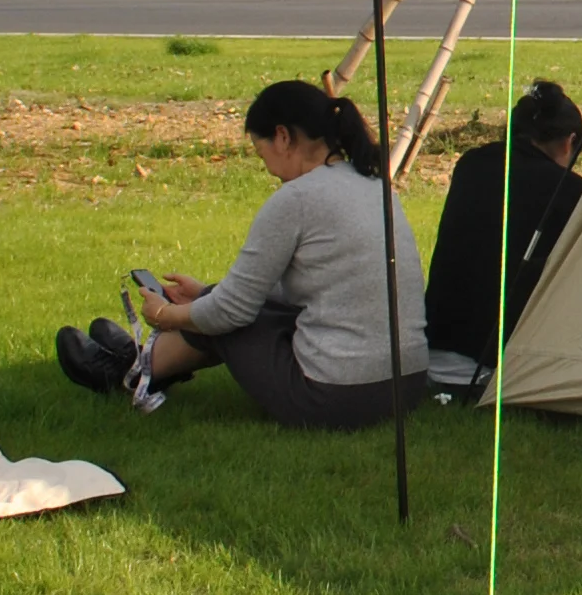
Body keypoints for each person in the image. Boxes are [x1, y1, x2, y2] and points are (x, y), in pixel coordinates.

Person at [55, 81, 426, 429]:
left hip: (337, 397)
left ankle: (131, 371)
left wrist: (167, 314)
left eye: (259, 150)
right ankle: (142, 361)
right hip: (405, 386)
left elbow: (231, 312)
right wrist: (204, 295)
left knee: (226, 318)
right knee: (220, 300)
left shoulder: (296, 198)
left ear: (282, 137)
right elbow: (327, 289)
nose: (265, 166)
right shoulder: (374, 184)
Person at [423, 78, 582, 390]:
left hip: (436, 343)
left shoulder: (470, 164)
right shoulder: (566, 188)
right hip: (497, 362)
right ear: (569, 142)